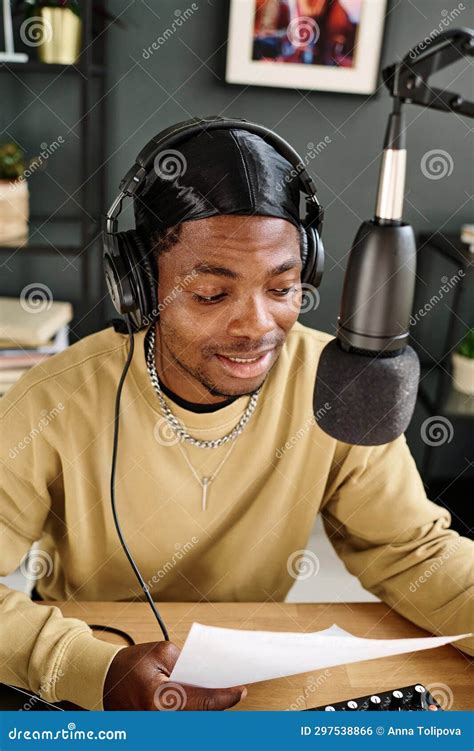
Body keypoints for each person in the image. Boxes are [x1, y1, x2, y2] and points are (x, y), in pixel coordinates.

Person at [1, 123, 472, 712]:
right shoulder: (51, 398)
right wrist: (88, 670)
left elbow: (413, 551)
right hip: (96, 682)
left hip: (251, 685)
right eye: (210, 295)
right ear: (141, 288)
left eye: (282, 288)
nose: (256, 326)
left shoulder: (332, 381)